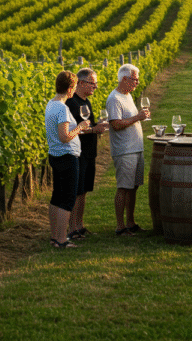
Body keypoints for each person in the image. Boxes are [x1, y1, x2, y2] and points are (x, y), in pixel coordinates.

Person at [45, 71, 90, 249]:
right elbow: (64, 136)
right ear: (70, 89)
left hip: (55, 155)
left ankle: (54, 237)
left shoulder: (50, 104)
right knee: (68, 199)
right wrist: (80, 127)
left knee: (57, 196)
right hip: (67, 156)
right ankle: (62, 239)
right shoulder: (62, 108)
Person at [106, 64, 150, 236]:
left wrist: (137, 117)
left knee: (133, 187)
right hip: (124, 150)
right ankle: (120, 226)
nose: (137, 82)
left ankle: (131, 223)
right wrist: (138, 117)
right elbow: (115, 124)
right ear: (124, 79)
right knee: (123, 187)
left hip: (135, 149)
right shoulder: (114, 99)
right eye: (135, 79)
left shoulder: (127, 95)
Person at [65, 67, 108, 240]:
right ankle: (72, 228)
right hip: (78, 153)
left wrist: (99, 125)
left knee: (84, 190)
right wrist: (93, 130)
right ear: (81, 83)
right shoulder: (71, 103)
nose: (95, 87)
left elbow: (87, 125)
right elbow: (73, 130)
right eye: (93, 83)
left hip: (90, 152)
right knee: (77, 190)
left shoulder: (85, 101)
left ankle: (79, 226)